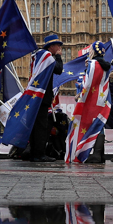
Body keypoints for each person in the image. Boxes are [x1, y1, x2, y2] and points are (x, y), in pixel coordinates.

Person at [28, 33, 64, 162]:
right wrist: (59, 57)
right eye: (58, 46)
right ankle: (39, 154)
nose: (60, 48)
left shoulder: (38, 56)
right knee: (41, 126)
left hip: (35, 96)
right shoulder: (47, 56)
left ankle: (34, 153)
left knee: (35, 125)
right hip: (41, 96)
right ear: (52, 46)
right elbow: (59, 69)